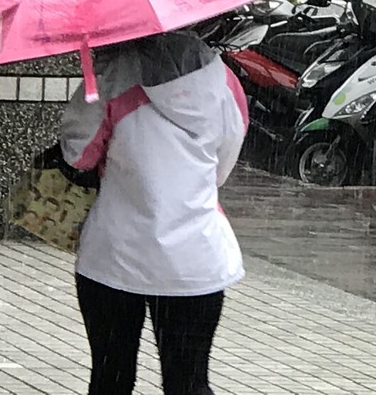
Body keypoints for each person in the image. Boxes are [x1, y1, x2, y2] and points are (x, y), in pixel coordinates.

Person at [60, 31, 248, 395]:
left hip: (115, 255)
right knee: (189, 382)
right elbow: (221, 169)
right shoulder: (221, 77)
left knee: (111, 379)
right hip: (195, 258)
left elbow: (77, 154)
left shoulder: (111, 73)